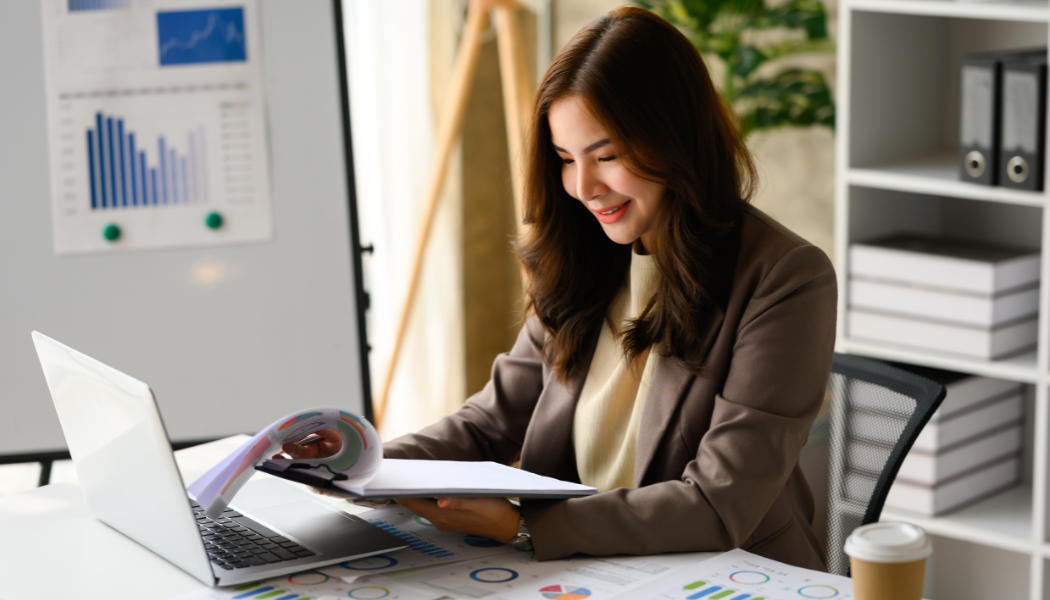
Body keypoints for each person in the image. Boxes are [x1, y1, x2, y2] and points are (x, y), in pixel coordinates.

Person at [286, 5, 836, 571]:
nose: (584, 187)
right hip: (586, 570)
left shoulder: (786, 279)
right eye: (566, 159)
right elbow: (489, 424)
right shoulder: (586, 259)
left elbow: (719, 504)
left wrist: (522, 525)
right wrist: (360, 465)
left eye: (607, 156)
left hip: (723, 573)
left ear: (677, 140)